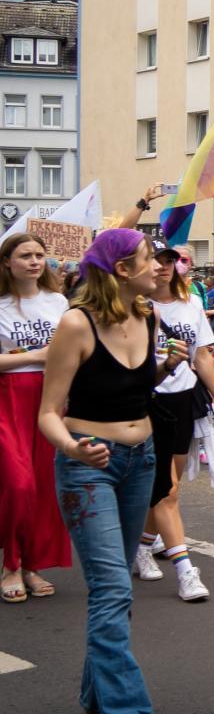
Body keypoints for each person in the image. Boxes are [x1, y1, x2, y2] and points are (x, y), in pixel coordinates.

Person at [39, 228, 189, 714]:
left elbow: (133, 389)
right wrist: (75, 449)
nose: (162, 267)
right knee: (112, 587)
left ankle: (96, 692)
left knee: (115, 583)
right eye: (152, 259)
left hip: (139, 460)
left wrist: (168, 365)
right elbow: (48, 414)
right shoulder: (76, 325)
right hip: (89, 467)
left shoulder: (148, 315)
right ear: (122, 270)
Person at [137, 242, 214, 602]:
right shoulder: (135, 306)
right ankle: (186, 571)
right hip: (148, 400)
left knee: (166, 487)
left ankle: (144, 545)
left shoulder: (191, 304)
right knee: (169, 489)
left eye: (168, 261)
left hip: (183, 400)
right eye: (155, 261)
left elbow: (203, 356)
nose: (162, 268)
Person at [0, 233, 70, 603]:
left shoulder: (58, 301)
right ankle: (10, 563)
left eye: (40, 255)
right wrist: (35, 357)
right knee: (18, 484)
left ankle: (30, 563)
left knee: (43, 487)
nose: (34, 261)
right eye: (25, 255)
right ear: (7, 262)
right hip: (8, 399)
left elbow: (70, 350)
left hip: (51, 398)